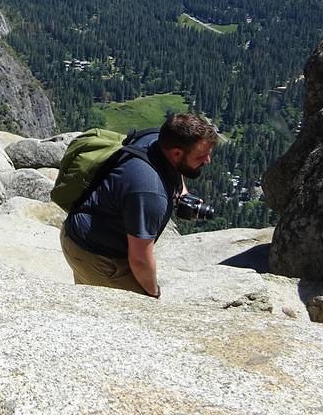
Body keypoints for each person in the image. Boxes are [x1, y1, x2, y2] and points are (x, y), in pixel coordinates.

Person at [59, 112, 217, 298]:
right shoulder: (150, 191)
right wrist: (153, 294)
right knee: (136, 309)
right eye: (201, 156)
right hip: (96, 255)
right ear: (176, 153)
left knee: (89, 302)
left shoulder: (157, 139)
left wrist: (182, 193)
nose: (208, 160)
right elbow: (140, 259)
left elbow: (177, 167)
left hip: (77, 235)